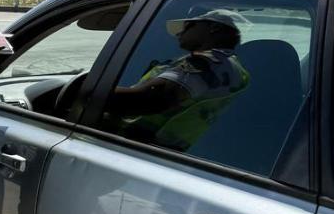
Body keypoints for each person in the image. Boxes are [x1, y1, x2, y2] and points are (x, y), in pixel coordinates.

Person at [106, 8, 249, 150]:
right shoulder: (231, 68)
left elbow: (146, 101)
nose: (179, 33)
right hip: (159, 150)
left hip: (135, 146)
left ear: (214, 27)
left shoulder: (208, 64)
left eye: (188, 26)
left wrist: (95, 88)